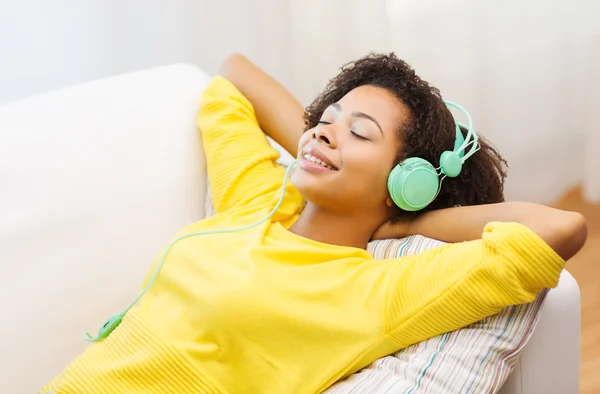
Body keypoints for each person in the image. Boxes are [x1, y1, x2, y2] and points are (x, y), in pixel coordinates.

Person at [42, 53, 587, 394]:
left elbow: (558, 229)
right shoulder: (256, 204)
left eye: (361, 133)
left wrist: (405, 220)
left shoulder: (370, 293)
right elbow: (231, 79)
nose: (324, 132)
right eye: (325, 121)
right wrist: (326, 141)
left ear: (406, 182)